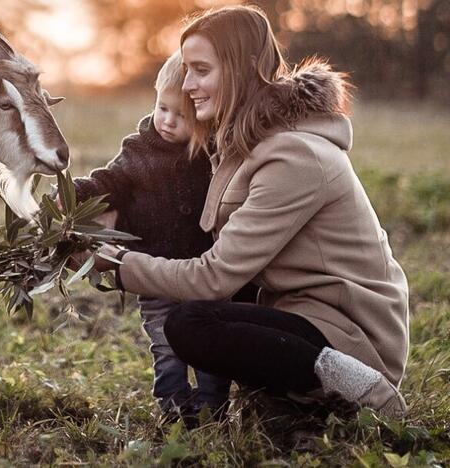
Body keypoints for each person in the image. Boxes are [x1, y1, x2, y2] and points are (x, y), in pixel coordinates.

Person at [86, 5, 409, 418]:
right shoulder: (241, 144)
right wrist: (111, 217)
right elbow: (174, 208)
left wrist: (116, 265)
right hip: (297, 317)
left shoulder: (293, 156)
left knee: (190, 324)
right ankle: (302, 398)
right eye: (185, 70)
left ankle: (361, 389)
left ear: (244, 68)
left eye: (200, 70)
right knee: (202, 323)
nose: (187, 85)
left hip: (350, 334)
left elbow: (215, 276)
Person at [71, 50, 251, 421]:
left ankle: (212, 408)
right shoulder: (138, 151)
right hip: (152, 274)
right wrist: (77, 192)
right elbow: (110, 181)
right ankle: (172, 409)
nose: (168, 121)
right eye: (162, 108)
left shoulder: (211, 153)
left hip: (202, 275)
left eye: (181, 115)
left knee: (209, 349)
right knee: (166, 348)